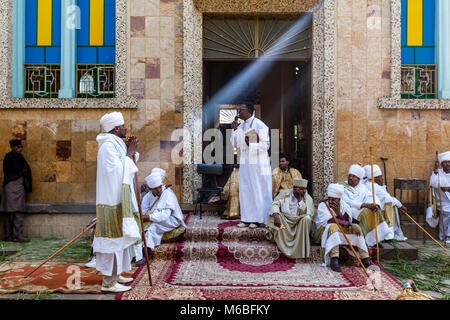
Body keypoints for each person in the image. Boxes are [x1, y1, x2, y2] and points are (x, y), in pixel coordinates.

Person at [92, 112, 141, 293]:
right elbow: (116, 170)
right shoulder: (106, 147)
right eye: (123, 126)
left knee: (121, 239)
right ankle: (108, 282)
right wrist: (129, 153)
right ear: (116, 129)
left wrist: (130, 153)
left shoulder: (115, 144)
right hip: (111, 200)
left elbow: (126, 164)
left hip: (120, 198)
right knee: (112, 240)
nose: (126, 129)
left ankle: (116, 274)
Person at [313, 183, 373, 272]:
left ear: (339, 199)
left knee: (357, 227)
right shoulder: (323, 205)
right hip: (323, 231)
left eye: (334, 199)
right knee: (332, 226)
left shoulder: (344, 205)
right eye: (329, 199)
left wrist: (339, 214)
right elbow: (329, 220)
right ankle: (334, 259)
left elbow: (345, 220)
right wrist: (349, 224)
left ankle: (365, 259)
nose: (330, 201)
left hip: (339, 229)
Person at [230, 103, 272, 229]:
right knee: (245, 190)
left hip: (258, 163)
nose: (238, 112)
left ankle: (258, 219)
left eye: (240, 110)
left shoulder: (260, 125)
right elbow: (235, 144)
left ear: (248, 110)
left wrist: (251, 144)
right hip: (245, 163)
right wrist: (235, 130)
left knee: (257, 189)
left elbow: (266, 145)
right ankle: (246, 219)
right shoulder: (241, 126)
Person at [135, 171, 186, 267]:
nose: (158, 190)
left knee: (153, 228)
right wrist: (145, 217)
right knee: (142, 229)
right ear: (150, 189)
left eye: (159, 187)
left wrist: (149, 217)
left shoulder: (167, 194)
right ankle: (137, 250)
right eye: (155, 188)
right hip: (155, 218)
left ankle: (145, 254)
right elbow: (143, 211)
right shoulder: (147, 196)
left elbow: (165, 215)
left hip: (172, 219)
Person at [339, 164, 393, 247]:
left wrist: (375, 205)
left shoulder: (362, 187)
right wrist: (365, 205)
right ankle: (366, 241)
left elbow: (371, 196)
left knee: (375, 211)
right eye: (349, 175)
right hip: (348, 210)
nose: (350, 178)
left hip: (362, 209)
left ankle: (375, 239)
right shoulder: (341, 186)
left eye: (354, 176)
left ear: (359, 179)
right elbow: (346, 201)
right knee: (365, 212)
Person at [265, 178, 314, 259]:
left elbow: (308, 213)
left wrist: (299, 200)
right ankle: (282, 243)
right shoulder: (284, 194)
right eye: (301, 189)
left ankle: (300, 248)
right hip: (284, 226)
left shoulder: (307, 198)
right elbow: (275, 204)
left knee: (307, 218)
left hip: (298, 226)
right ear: (294, 188)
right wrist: (276, 215)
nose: (304, 191)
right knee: (276, 216)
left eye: (305, 189)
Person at [363, 164, 407, 241]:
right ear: (374, 178)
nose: (382, 179)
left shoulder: (370, 184)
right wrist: (401, 206)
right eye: (380, 177)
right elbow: (389, 199)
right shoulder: (373, 186)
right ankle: (390, 233)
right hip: (373, 210)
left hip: (375, 209)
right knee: (391, 205)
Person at [0, 140, 32, 242]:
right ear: (13, 147)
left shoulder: (17, 157)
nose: (20, 149)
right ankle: (13, 236)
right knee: (11, 212)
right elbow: (20, 169)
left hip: (15, 186)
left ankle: (15, 235)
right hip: (12, 186)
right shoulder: (11, 157)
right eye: (18, 147)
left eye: (21, 147)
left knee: (16, 211)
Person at [429, 151, 450, 244]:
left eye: (449, 162)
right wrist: (435, 170)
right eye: (445, 162)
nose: (447, 164)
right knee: (447, 212)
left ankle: (447, 235)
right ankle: (445, 236)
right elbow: (433, 183)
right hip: (441, 201)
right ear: (441, 164)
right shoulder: (437, 172)